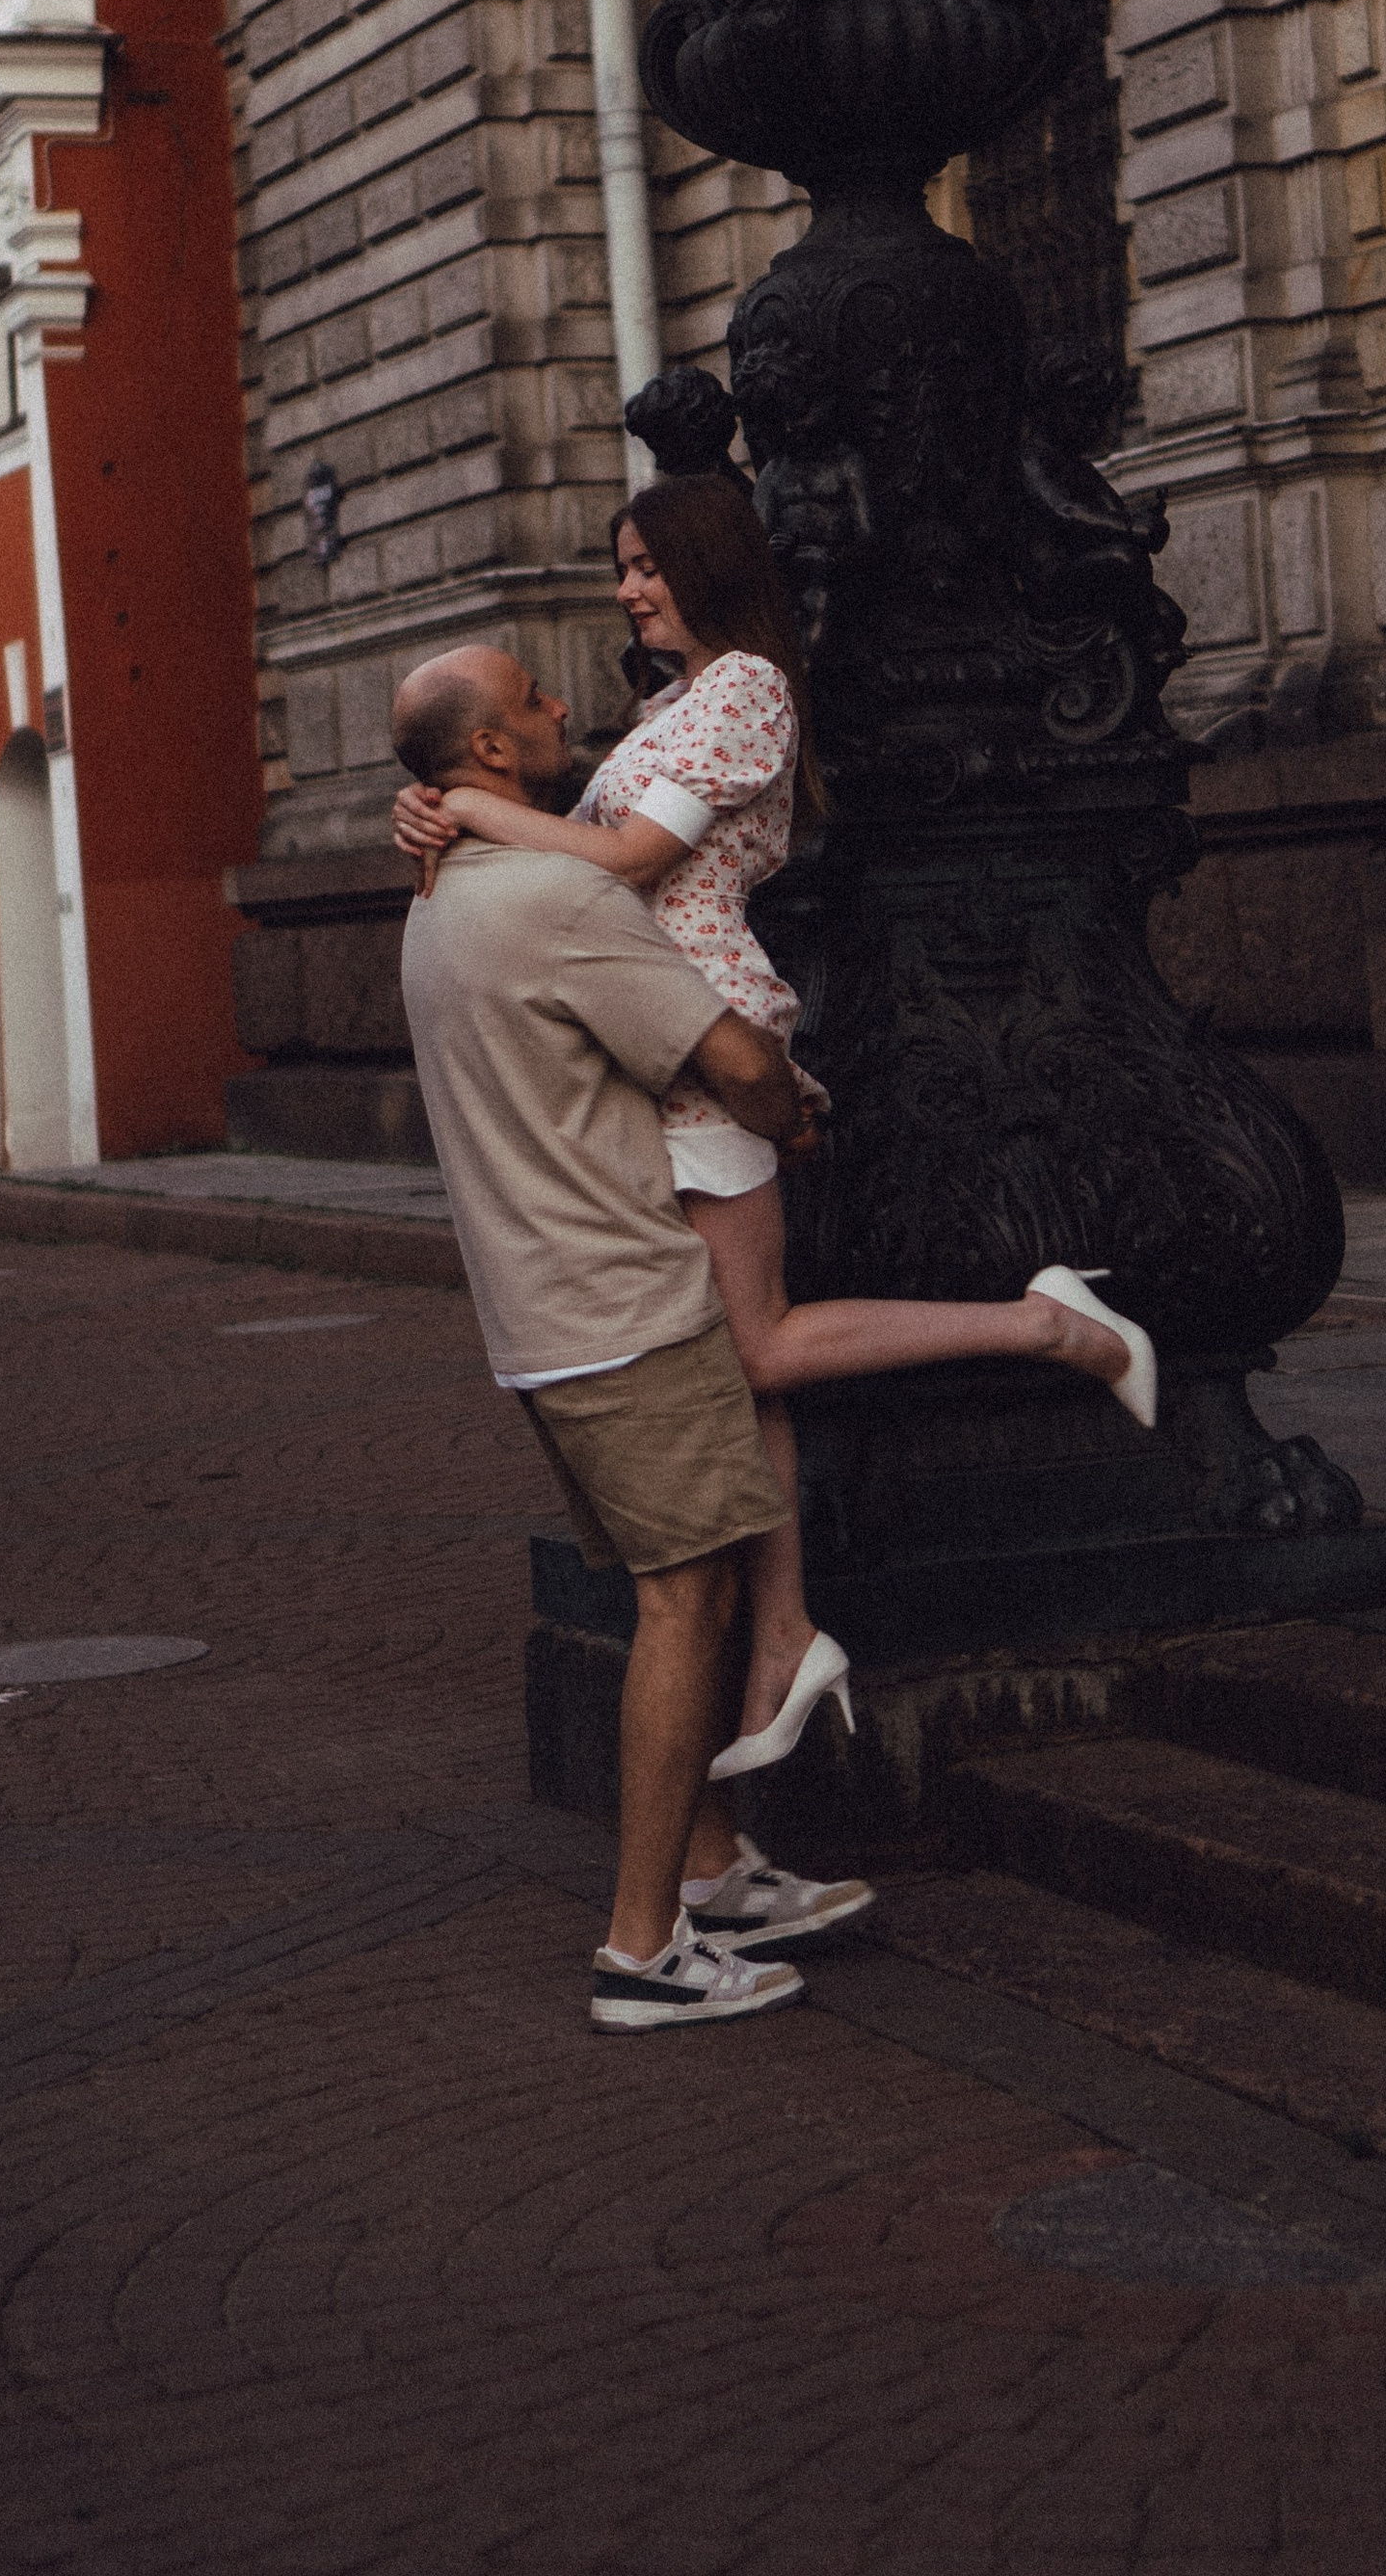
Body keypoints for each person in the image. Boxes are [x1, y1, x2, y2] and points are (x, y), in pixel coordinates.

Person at [390, 480, 1155, 1778]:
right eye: (622, 567)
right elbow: (559, 858)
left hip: (708, 1044)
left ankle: (1048, 1323)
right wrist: (427, 806)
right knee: (736, 1365)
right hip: (646, 1048)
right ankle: (786, 1636)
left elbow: (627, 862)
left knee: (752, 1347)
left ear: (707, 567)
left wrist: (467, 808)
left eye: (647, 566)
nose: (628, 591)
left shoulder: (746, 689)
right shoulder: (667, 710)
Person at [393, 638, 876, 2032]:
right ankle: (643, 1949)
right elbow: (731, 1057)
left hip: (538, 1320)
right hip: (625, 1309)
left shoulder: (435, 898)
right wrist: (793, 1111)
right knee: (690, 1604)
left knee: (670, 1591)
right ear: (491, 753)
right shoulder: (560, 897)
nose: (562, 707)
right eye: (532, 699)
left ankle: (712, 1872)